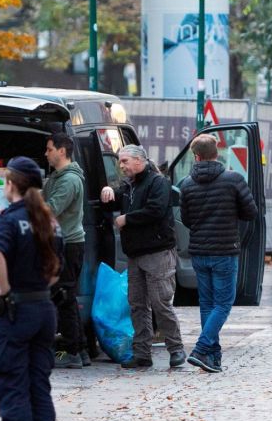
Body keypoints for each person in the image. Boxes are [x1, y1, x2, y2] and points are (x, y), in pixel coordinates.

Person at [0, 156, 64, 421]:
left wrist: (3, 288)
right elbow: (58, 269)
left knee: (12, 386)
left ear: (12, 185)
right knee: (38, 387)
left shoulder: (9, 219)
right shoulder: (48, 221)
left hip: (15, 313)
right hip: (43, 309)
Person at [100, 144, 186, 369]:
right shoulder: (129, 184)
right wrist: (107, 192)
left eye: (125, 161)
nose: (121, 166)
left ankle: (176, 349)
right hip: (136, 254)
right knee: (137, 305)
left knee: (160, 303)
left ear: (140, 161)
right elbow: (115, 198)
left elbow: (155, 210)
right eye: (120, 161)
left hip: (157, 252)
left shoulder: (158, 183)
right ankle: (141, 353)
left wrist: (127, 219)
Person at [179, 134, 258, 373]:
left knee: (207, 304)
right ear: (217, 153)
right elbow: (251, 211)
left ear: (196, 156)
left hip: (200, 252)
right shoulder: (233, 180)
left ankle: (212, 358)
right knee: (223, 304)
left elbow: (186, 219)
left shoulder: (186, 184)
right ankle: (202, 349)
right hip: (225, 250)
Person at [42, 133, 88, 370]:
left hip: (67, 245)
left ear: (62, 151)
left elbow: (50, 209)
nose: (46, 153)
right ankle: (80, 349)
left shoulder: (69, 181)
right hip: (64, 243)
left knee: (63, 297)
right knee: (66, 297)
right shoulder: (58, 177)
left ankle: (71, 351)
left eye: (49, 149)